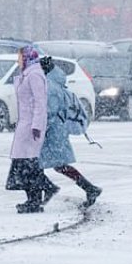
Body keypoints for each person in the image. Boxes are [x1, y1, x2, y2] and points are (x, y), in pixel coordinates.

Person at [38, 56, 102, 208]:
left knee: (35, 164)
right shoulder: (54, 83)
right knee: (58, 165)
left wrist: (39, 129)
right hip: (57, 131)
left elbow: (50, 113)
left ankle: (47, 191)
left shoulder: (50, 87)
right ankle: (89, 188)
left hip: (52, 132)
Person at [5, 45, 56, 214]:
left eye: (20, 57)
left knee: (28, 163)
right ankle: (36, 197)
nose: (18, 61)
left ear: (27, 57)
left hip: (31, 127)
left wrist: (36, 126)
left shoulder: (34, 75)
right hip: (25, 125)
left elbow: (40, 103)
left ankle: (37, 197)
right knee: (23, 163)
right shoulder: (28, 74)